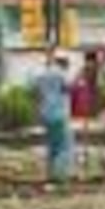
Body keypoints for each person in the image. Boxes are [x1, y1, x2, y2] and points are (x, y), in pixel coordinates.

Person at [34, 51, 73, 185]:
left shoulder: (41, 74)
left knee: (52, 146)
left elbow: (37, 94)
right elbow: (67, 88)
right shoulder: (61, 74)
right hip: (59, 114)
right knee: (64, 146)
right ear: (63, 62)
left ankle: (50, 175)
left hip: (46, 115)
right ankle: (59, 177)